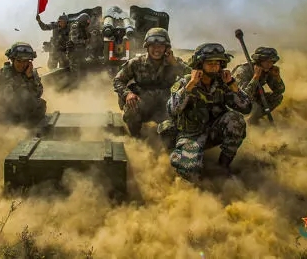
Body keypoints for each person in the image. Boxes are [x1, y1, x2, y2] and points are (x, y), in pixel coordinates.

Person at [167, 43, 252, 181]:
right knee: (188, 171)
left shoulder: (223, 84)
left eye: (217, 63)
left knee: (236, 119)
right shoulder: (186, 82)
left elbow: (246, 108)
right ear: (200, 64)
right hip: (190, 136)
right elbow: (172, 110)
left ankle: (223, 167)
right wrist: (190, 85)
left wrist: (232, 84)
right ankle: (183, 157)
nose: (214, 66)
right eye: (210, 63)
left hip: (213, 132)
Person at [113, 27, 190, 139]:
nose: (157, 50)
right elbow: (118, 80)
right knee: (131, 108)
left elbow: (192, 77)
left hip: (165, 106)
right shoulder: (136, 62)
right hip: (143, 104)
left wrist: (174, 63)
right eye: (153, 46)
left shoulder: (173, 61)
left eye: (161, 46)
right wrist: (127, 94)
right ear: (147, 46)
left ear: (167, 48)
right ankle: (136, 139)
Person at [0, 42, 46, 128]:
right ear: (12, 60)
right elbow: (7, 98)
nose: (22, 64)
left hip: (24, 115)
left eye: (25, 61)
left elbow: (38, 93)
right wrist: (23, 82)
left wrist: (30, 78)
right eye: (19, 61)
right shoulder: (0, 75)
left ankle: (28, 129)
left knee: (40, 104)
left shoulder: (31, 73)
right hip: (5, 114)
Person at [231, 46, 285, 125]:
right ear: (259, 61)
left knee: (277, 97)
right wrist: (255, 77)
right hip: (238, 102)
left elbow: (279, 91)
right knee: (255, 106)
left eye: (271, 61)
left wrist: (277, 77)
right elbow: (243, 96)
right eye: (266, 61)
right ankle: (247, 123)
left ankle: (255, 117)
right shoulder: (243, 70)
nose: (269, 64)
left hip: (254, 98)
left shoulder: (267, 70)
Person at [66, 13, 92, 80]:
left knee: (83, 68)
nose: (87, 23)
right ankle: (75, 83)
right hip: (74, 52)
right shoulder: (75, 26)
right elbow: (74, 40)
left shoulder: (82, 27)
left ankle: (83, 82)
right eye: (86, 22)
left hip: (80, 51)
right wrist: (84, 41)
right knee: (75, 70)